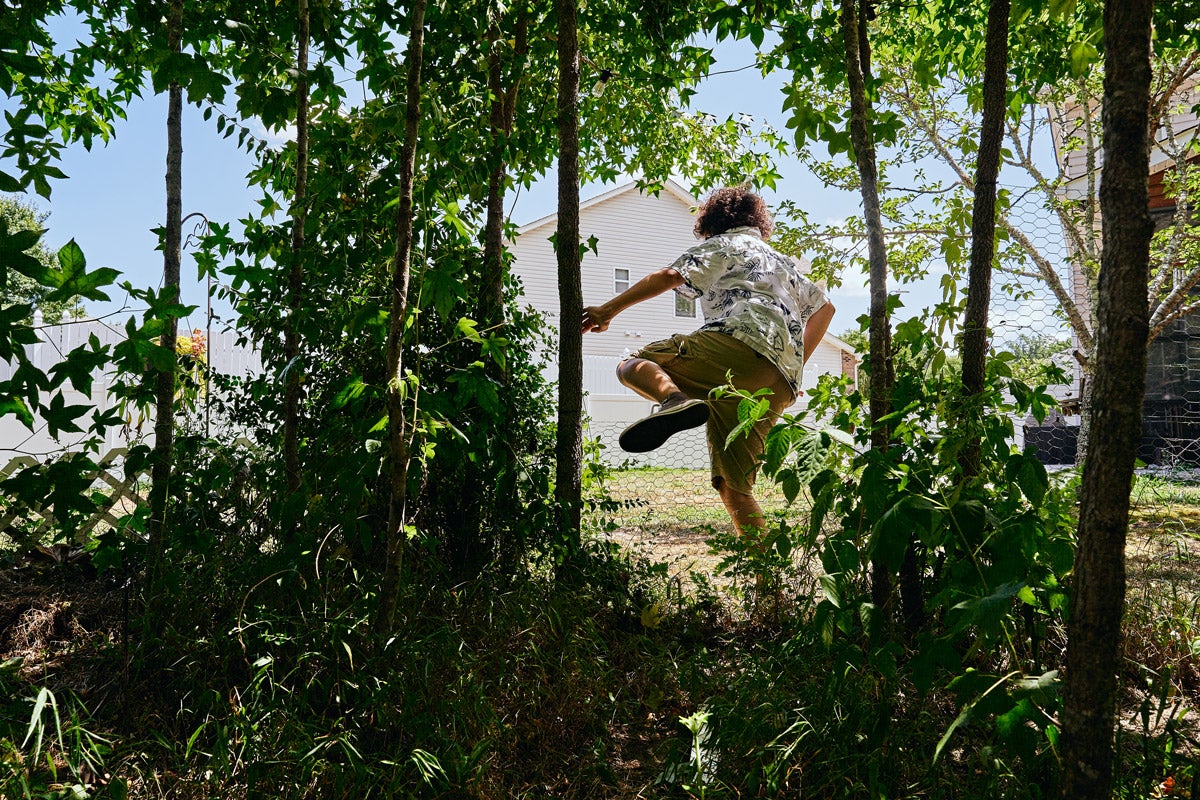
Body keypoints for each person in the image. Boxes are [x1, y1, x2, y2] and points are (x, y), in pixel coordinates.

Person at [581, 186, 835, 537]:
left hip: (736, 346)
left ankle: (674, 399)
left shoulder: (726, 243)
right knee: (735, 487)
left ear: (713, 221)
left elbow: (670, 276)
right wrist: (796, 364)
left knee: (632, 364)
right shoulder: (785, 264)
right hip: (778, 381)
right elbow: (826, 308)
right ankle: (767, 585)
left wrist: (607, 311)